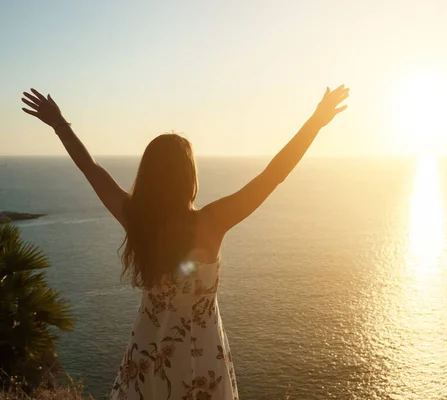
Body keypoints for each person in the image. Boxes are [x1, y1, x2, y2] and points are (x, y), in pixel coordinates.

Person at [21, 84, 349, 400]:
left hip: (148, 353)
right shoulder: (211, 222)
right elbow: (271, 176)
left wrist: (60, 125)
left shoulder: (136, 219)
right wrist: (315, 123)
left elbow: (90, 168)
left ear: (147, 175)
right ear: (189, 176)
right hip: (202, 357)